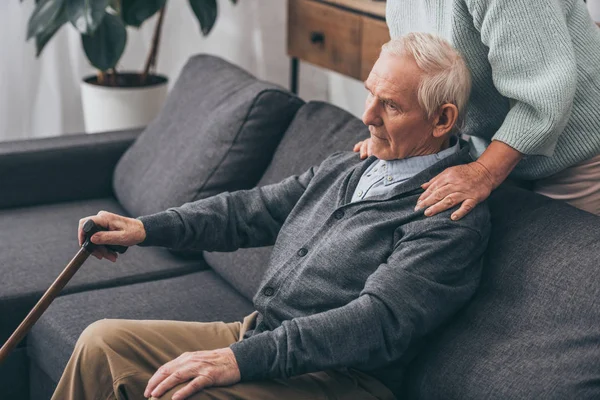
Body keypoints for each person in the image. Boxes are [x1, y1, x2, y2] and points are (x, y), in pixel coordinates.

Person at [52, 33, 490, 400]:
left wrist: (238, 360)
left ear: (442, 120)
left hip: (338, 378)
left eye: (390, 106)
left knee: (182, 393)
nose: (367, 116)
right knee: (101, 344)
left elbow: (375, 322)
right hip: (261, 336)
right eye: (369, 94)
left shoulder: (448, 217)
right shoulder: (350, 165)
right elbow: (249, 211)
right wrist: (146, 228)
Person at [354, 0, 600, 218]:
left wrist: (484, 172)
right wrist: (388, 132)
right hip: (493, 143)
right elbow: (417, 80)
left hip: (579, 148)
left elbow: (545, 95)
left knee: (560, 261)